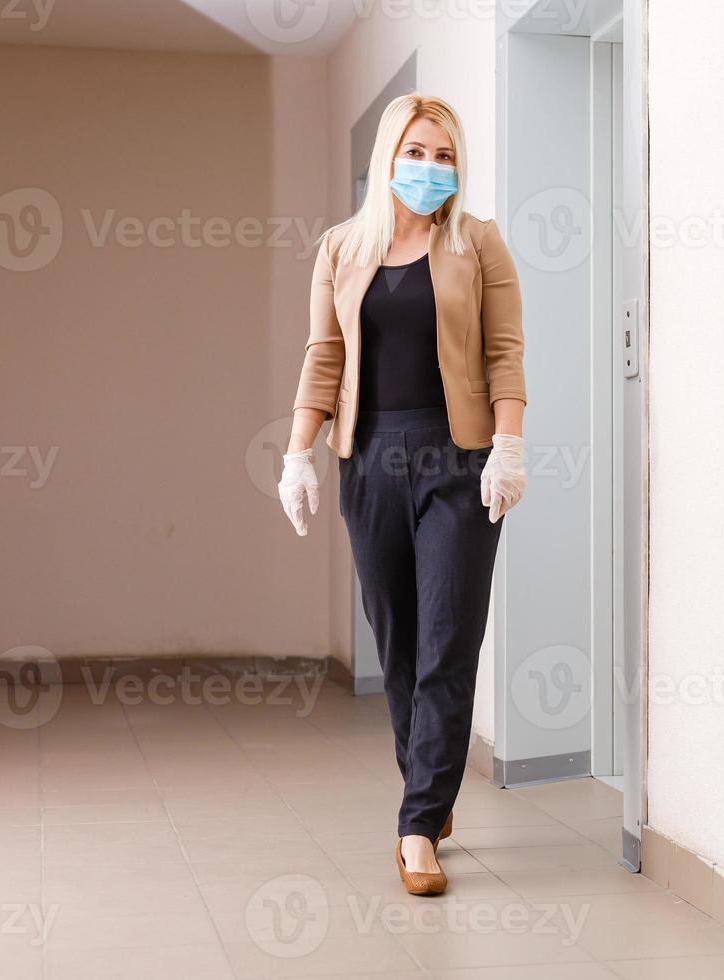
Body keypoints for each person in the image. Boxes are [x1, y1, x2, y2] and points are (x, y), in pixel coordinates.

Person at [277, 94, 527, 896]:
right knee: (400, 645)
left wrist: (509, 445)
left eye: (445, 156)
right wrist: (297, 456)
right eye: (417, 152)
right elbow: (323, 358)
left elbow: (504, 352)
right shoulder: (341, 248)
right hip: (372, 459)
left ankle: (417, 824)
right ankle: (433, 783)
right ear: (389, 155)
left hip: (461, 457)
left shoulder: (478, 243)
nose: (431, 169)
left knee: (450, 641)